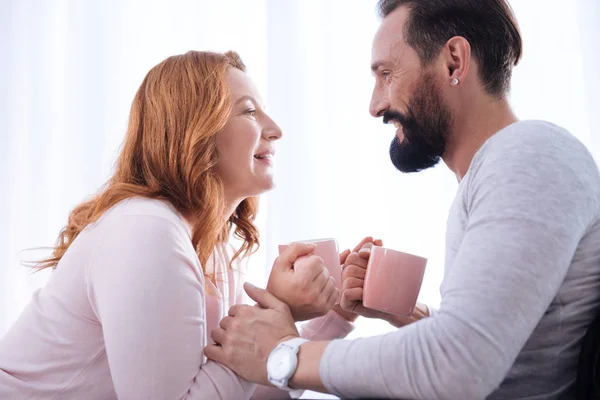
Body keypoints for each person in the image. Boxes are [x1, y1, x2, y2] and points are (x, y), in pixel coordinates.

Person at [205, 1, 600, 399]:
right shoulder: (502, 168)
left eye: (387, 74)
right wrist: (412, 317)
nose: (375, 105)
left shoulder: (528, 157)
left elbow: (456, 367)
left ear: (453, 62)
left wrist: (287, 354)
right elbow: (500, 354)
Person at [0, 50, 362, 399]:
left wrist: (336, 314)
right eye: (250, 111)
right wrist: (276, 311)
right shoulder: (146, 229)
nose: (276, 129)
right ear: (196, 132)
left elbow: (245, 391)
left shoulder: (214, 247)